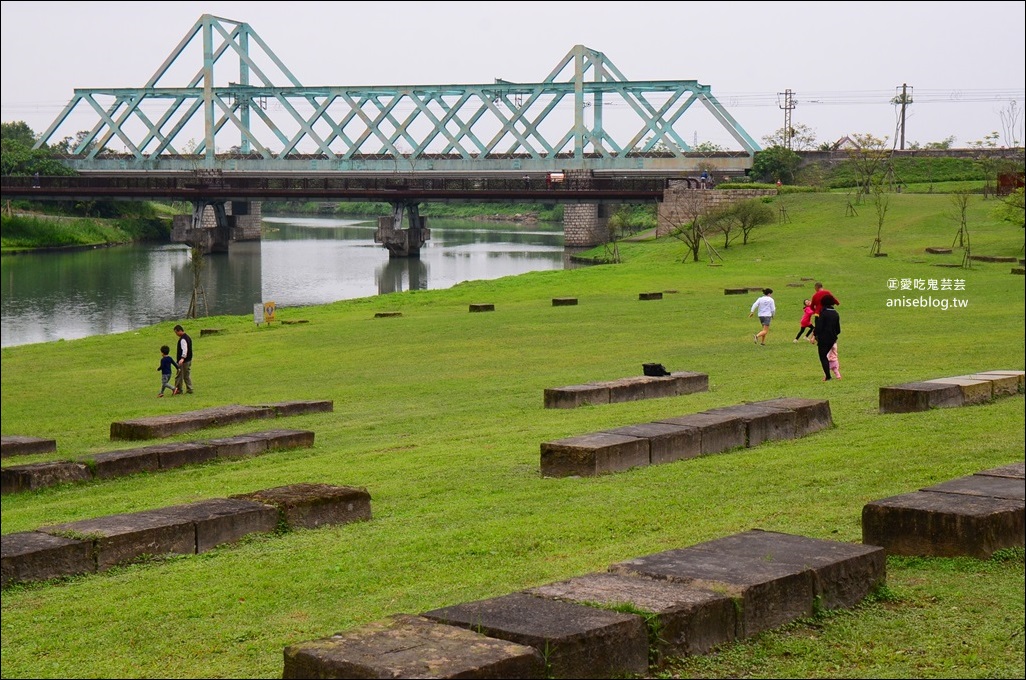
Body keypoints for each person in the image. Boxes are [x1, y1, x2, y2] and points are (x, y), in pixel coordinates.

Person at [814, 295, 841, 381]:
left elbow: (819, 326)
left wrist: (815, 335)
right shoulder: (835, 313)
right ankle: (831, 373)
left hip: (823, 338)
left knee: (823, 356)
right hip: (832, 338)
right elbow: (838, 329)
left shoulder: (824, 313)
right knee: (826, 355)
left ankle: (828, 376)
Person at [172, 324, 194, 395]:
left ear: (179, 331)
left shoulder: (183, 339)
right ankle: (189, 389)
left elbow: (185, 349)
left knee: (179, 375)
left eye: (176, 332)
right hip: (188, 359)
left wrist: (182, 358)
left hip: (184, 361)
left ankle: (178, 389)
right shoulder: (188, 337)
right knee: (186, 375)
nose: (176, 334)